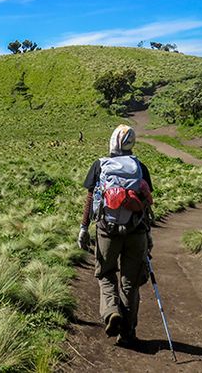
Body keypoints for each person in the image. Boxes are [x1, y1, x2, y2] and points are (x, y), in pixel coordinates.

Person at [76, 125, 154, 347]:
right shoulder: (140, 167)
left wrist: (83, 228)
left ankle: (111, 311)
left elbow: (91, 199)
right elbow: (146, 204)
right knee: (130, 283)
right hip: (136, 230)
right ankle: (128, 333)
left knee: (106, 273)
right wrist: (148, 235)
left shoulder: (100, 165)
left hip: (107, 231)